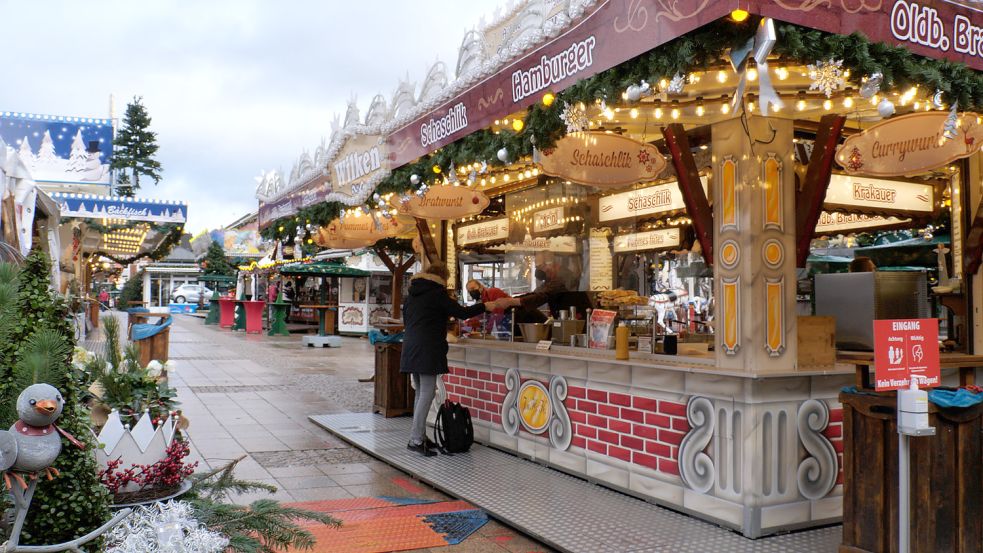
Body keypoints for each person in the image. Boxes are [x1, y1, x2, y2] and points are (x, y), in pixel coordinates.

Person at [400, 262, 505, 456]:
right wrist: (485, 306)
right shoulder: (437, 293)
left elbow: (409, 320)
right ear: (442, 278)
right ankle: (415, 439)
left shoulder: (412, 294)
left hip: (410, 346)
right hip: (427, 348)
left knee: (420, 392)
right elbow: (462, 313)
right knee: (427, 392)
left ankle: (420, 436)